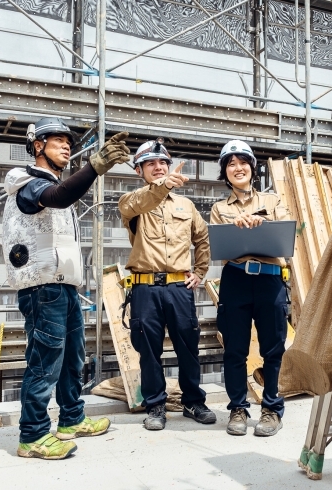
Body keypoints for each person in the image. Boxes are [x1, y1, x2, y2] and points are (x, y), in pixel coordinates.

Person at [2, 117, 130, 460]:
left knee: (73, 358)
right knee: (44, 363)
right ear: (37, 145)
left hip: (63, 288)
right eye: (56, 139)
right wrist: (96, 166)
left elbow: (63, 194)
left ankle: (71, 419)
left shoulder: (55, 183)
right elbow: (58, 196)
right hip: (42, 290)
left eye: (67, 141)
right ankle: (32, 435)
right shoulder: (26, 182)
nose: (66, 145)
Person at [118, 139, 215, 431]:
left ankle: (193, 402)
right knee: (148, 350)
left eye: (163, 163)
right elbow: (145, 200)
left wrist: (199, 271)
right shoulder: (132, 202)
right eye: (151, 164)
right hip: (145, 288)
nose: (158, 168)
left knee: (188, 346)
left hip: (178, 288)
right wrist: (164, 187)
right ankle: (156, 405)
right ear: (139, 171)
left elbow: (202, 238)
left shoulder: (186, 205)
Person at [209, 140, 289, 437]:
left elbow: (291, 228)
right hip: (236, 279)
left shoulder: (273, 201)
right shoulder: (219, 208)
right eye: (230, 163)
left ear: (252, 168)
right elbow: (219, 242)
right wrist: (238, 221)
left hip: (269, 278)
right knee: (235, 349)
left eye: (243, 162)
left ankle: (271, 409)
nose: (237, 168)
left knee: (273, 349)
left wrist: (261, 219)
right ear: (225, 172)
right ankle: (238, 409)